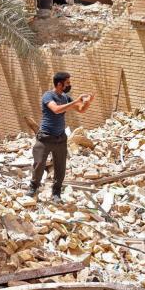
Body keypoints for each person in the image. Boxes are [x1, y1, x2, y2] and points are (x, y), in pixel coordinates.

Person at [29, 71, 93, 202]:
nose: (69, 85)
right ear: (59, 84)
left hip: (60, 138)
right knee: (39, 164)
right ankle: (33, 187)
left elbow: (81, 109)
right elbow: (56, 109)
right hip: (45, 137)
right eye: (67, 83)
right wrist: (76, 100)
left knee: (60, 167)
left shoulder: (65, 97)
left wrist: (88, 101)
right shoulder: (48, 96)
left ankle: (56, 193)